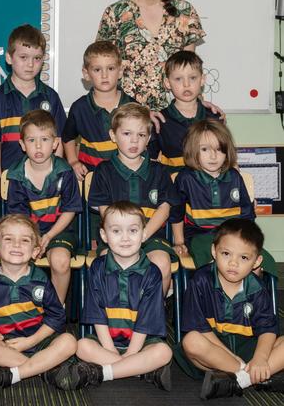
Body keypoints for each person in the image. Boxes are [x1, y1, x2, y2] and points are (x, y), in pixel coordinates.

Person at [176, 219, 284, 399]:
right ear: (214, 251)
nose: (233, 263)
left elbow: (267, 329)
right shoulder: (200, 281)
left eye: (243, 257)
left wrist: (260, 358)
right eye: (226, 253)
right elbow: (199, 329)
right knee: (191, 341)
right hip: (214, 353)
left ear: (256, 262)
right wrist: (236, 361)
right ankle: (254, 376)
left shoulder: (256, 287)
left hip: (249, 349)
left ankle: (239, 381)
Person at [71, 202, 172, 391]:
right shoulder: (97, 268)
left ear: (143, 234)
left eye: (133, 231)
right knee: (82, 346)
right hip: (107, 341)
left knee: (164, 352)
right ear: (104, 235)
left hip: (141, 343)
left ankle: (104, 372)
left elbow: (146, 321)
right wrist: (110, 349)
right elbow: (97, 315)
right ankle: (141, 371)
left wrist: (132, 353)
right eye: (116, 231)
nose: (125, 238)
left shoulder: (152, 273)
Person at [97, 0, 206, 110]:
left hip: (174, 115)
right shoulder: (115, 13)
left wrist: (200, 106)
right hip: (127, 117)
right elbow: (100, 64)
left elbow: (190, 69)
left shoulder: (184, 11)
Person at [0, 214, 77, 391]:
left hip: (38, 341)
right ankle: (45, 370)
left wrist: (30, 342)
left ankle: (14, 374)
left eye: (24, 240)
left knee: (69, 341)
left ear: (36, 251)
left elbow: (56, 317)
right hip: (6, 344)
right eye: (8, 239)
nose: (16, 245)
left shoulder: (41, 281)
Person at [89, 103, 179, 296]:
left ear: (148, 139)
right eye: (127, 134)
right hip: (115, 238)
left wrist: (143, 235)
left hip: (151, 237)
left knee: (162, 263)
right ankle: (114, 316)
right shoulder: (103, 171)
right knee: (106, 264)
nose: (134, 141)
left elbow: (164, 209)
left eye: (141, 135)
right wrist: (122, 236)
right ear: (113, 136)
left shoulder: (160, 171)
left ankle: (154, 313)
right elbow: (105, 212)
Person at [171, 120, 277, 276]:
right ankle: (216, 297)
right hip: (200, 236)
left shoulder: (234, 176)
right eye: (205, 149)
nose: (213, 156)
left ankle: (247, 298)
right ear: (193, 150)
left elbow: (247, 213)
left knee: (261, 264)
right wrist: (179, 241)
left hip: (233, 235)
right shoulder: (186, 178)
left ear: (227, 152)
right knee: (216, 262)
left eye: (219, 150)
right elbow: (176, 213)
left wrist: (246, 239)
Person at [5, 110, 82, 304]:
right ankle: (23, 310)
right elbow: (18, 218)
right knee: (15, 256)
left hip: (59, 231)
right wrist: (34, 238)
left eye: (45, 140)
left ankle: (56, 310)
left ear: (55, 143)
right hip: (26, 232)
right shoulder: (16, 175)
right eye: (31, 140)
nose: (38, 146)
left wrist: (47, 236)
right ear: (22, 144)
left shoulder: (64, 172)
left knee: (60, 261)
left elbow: (69, 210)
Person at [0, 24, 66, 193]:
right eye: (23, 57)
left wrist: (55, 176)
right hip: (9, 182)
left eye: (37, 58)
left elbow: (58, 140)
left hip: (45, 182)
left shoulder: (51, 97)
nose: (30, 64)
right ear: (9, 58)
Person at [62, 41, 136, 181]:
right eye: (97, 70)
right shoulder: (80, 108)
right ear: (86, 73)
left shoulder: (132, 107)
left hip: (126, 180)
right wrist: (73, 161)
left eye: (111, 68)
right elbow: (68, 137)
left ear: (120, 71)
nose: (104, 75)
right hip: (91, 180)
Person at [148, 51, 221, 171]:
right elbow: (151, 162)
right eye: (178, 79)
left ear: (202, 80)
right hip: (172, 184)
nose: (186, 84)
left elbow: (225, 156)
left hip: (206, 186)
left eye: (192, 78)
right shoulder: (159, 121)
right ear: (167, 83)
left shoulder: (214, 117)